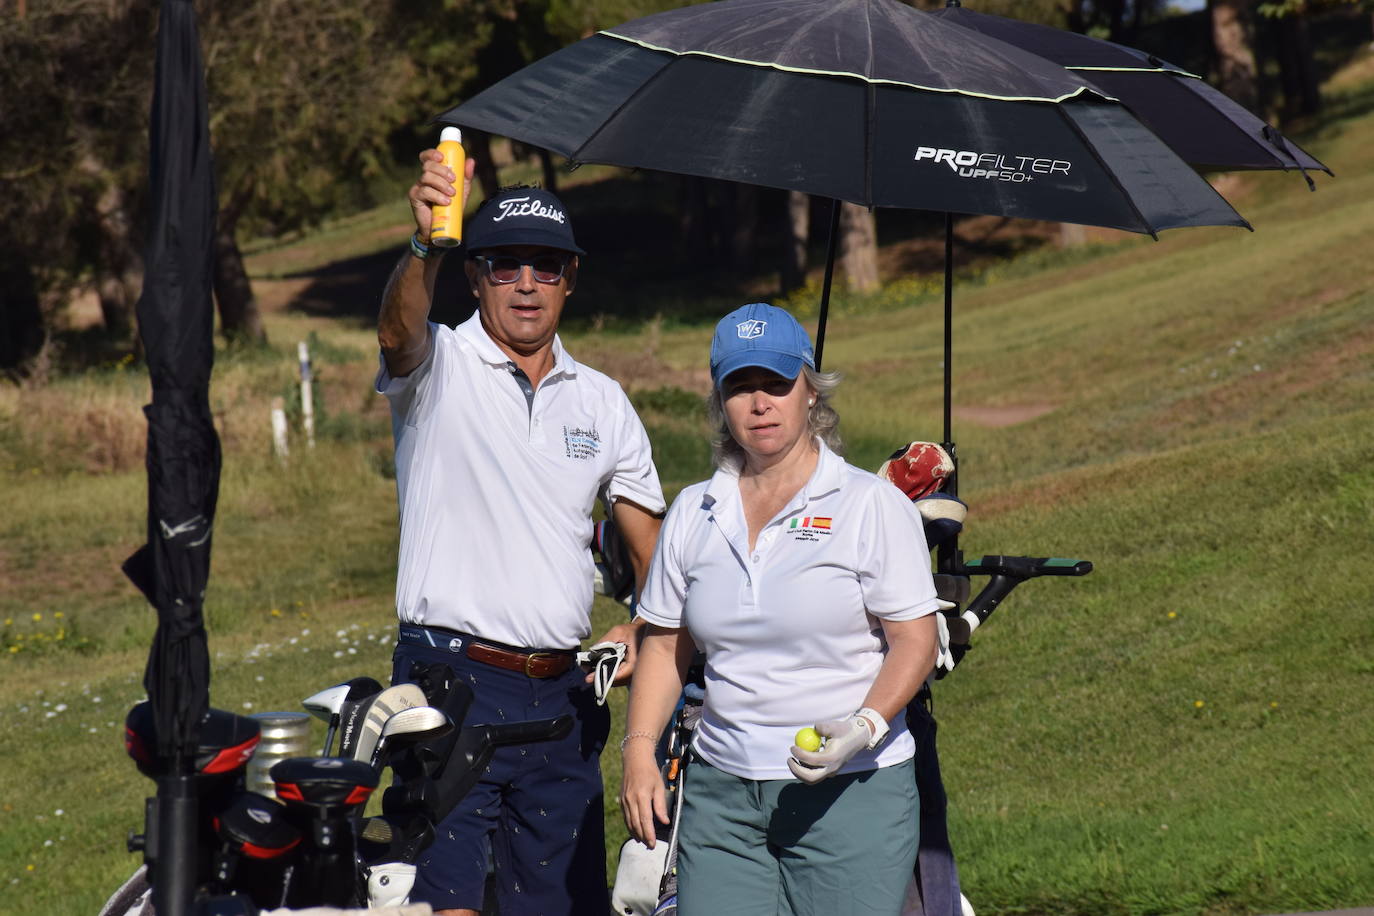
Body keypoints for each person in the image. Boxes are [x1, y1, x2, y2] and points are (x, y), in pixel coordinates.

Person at [376, 146, 666, 915]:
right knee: (451, 905)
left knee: (563, 906)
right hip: (451, 683)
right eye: (505, 265)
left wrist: (646, 625)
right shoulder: (440, 364)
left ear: (571, 277)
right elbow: (398, 335)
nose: (527, 284)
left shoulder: (602, 402)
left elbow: (654, 557)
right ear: (475, 276)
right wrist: (423, 249)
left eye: (546, 266)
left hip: (563, 699)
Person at [620, 303, 941, 916]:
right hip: (722, 796)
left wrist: (865, 727)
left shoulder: (868, 504)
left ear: (811, 393)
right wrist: (639, 752)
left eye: (776, 383)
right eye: (740, 386)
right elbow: (664, 645)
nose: (759, 402)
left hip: (851, 791)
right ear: (720, 401)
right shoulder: (693, 510)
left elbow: (915, 640)